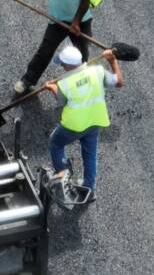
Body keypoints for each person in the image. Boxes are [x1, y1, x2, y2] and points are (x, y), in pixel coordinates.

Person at [44, 45, 124, 204]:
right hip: (95, 121)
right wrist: (113, 61)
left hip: (73, 126)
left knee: (56, 143)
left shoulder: (65, 83)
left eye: (62, 64)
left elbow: (61, 100)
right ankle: (90, 188)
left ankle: (62, 183)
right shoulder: (98, 71)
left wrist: (51, 87)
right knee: (90, 153)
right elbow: (119, 82)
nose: (61, 66)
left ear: (66, 65)